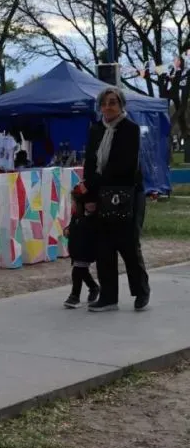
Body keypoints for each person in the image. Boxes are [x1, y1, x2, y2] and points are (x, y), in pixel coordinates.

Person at [84, 87, 150, 312]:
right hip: (101, 195)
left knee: (129, 245)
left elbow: (125, 165)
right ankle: (109, 296)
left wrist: (99, 182)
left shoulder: (130, 129)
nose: (108, 107)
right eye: (104, 103)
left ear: (121, 105)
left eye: (112, 102)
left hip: (126, 194)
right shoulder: (95, 130)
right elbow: (90, 164)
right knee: (104, 247)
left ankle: (141, 291)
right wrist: (90, 196)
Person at [63, 183, 100, 309]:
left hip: (86, 248)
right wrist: (68, 230)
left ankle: (75, 295)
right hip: (76, 247)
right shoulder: (77, 215)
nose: (91, 205)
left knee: (77, 271)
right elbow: (73, 226)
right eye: (88, 202)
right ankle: (93, 287)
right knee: (82, 270)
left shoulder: (95, 218)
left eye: (93, 202)